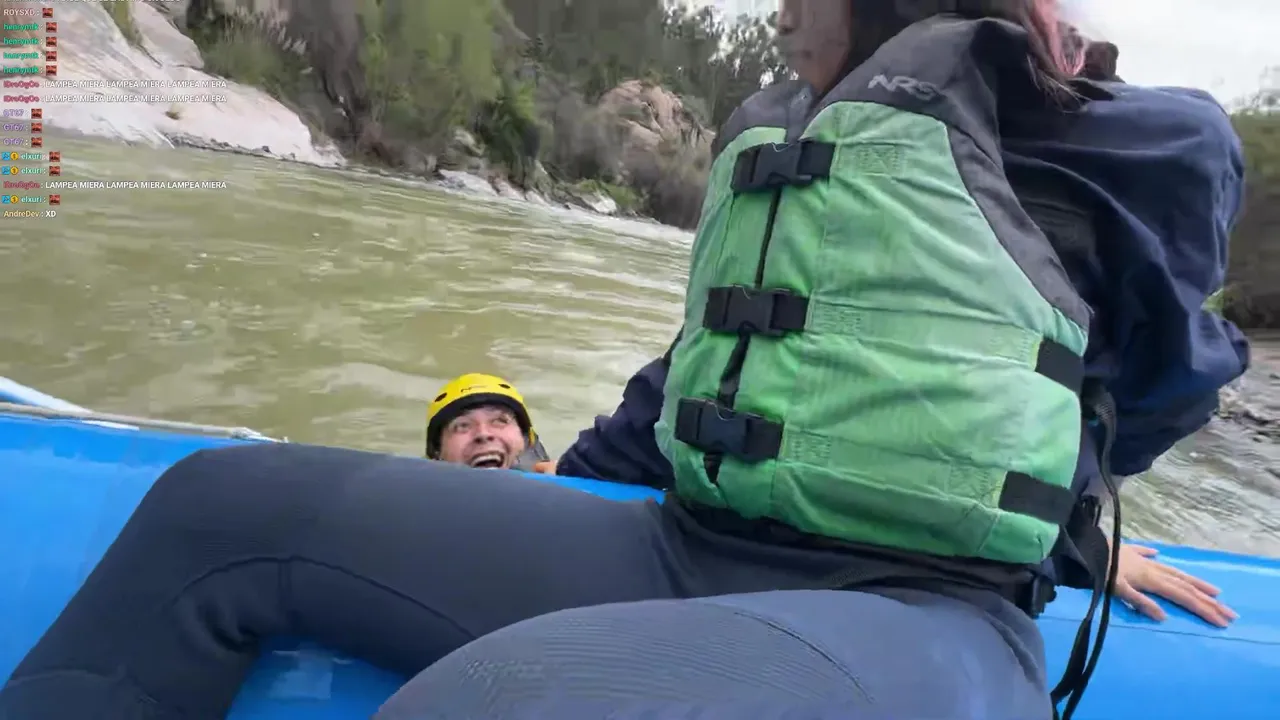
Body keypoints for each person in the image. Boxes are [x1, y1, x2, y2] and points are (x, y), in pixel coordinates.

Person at [0, 3, 1249, 720]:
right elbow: (705, 375)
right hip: (684, 547)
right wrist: (551, 490)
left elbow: (1150, 387)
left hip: (928, 614)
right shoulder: (778, 136)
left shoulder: (1136, 142)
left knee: (507, 701)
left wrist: (1061, 527)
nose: (775, 12)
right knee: (220, 508)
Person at [424, 373, 554, 472]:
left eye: (500, 421)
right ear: (437, 452)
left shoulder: (548, 480)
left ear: (524, 440)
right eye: (462, 426)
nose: (483, 434)